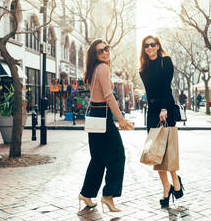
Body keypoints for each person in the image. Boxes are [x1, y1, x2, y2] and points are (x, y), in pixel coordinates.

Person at [79, 39, 134, 213]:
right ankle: (108, 196)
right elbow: (108, 97)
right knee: (118, 156)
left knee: (98, 159)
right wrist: (121, 120)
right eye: (100, 51)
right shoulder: (102, 68)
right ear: (95, 55)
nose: (104, 52)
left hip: (95, 115)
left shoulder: (94, 69)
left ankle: (86, 194)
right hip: (103, 115)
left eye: (106, 49)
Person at [139, 35, 184, 208]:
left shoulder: (166, 62)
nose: (149, 47)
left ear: (158, 46)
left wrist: (164, 108)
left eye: (152, 44)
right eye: (146, 45)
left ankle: (175, 179)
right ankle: (167, 187)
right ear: (144, 49)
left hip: (166, 108)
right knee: (156, 152)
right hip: (152, 112)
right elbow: (150, 92)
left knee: (168, 149)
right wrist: (155, 110)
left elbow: (165, 87)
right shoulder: (142, 68)